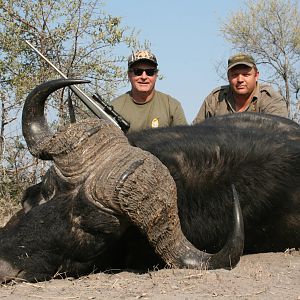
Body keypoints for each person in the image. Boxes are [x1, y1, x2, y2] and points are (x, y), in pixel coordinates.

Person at [192, 53, 288, 124]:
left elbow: (280, 135)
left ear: (256, 75)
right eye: (235, 75)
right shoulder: (216, 98)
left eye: (246, 75)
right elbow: (196, 132)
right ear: (228, 77)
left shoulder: (270, 98)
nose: (240, 79)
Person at [111, 50, 187, 133]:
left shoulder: (172, 106)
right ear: (129, 75)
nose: (144, 77)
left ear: (156, 75)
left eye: (149, 72)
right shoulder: (114, 108)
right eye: (138, 72)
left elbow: (185, 140)